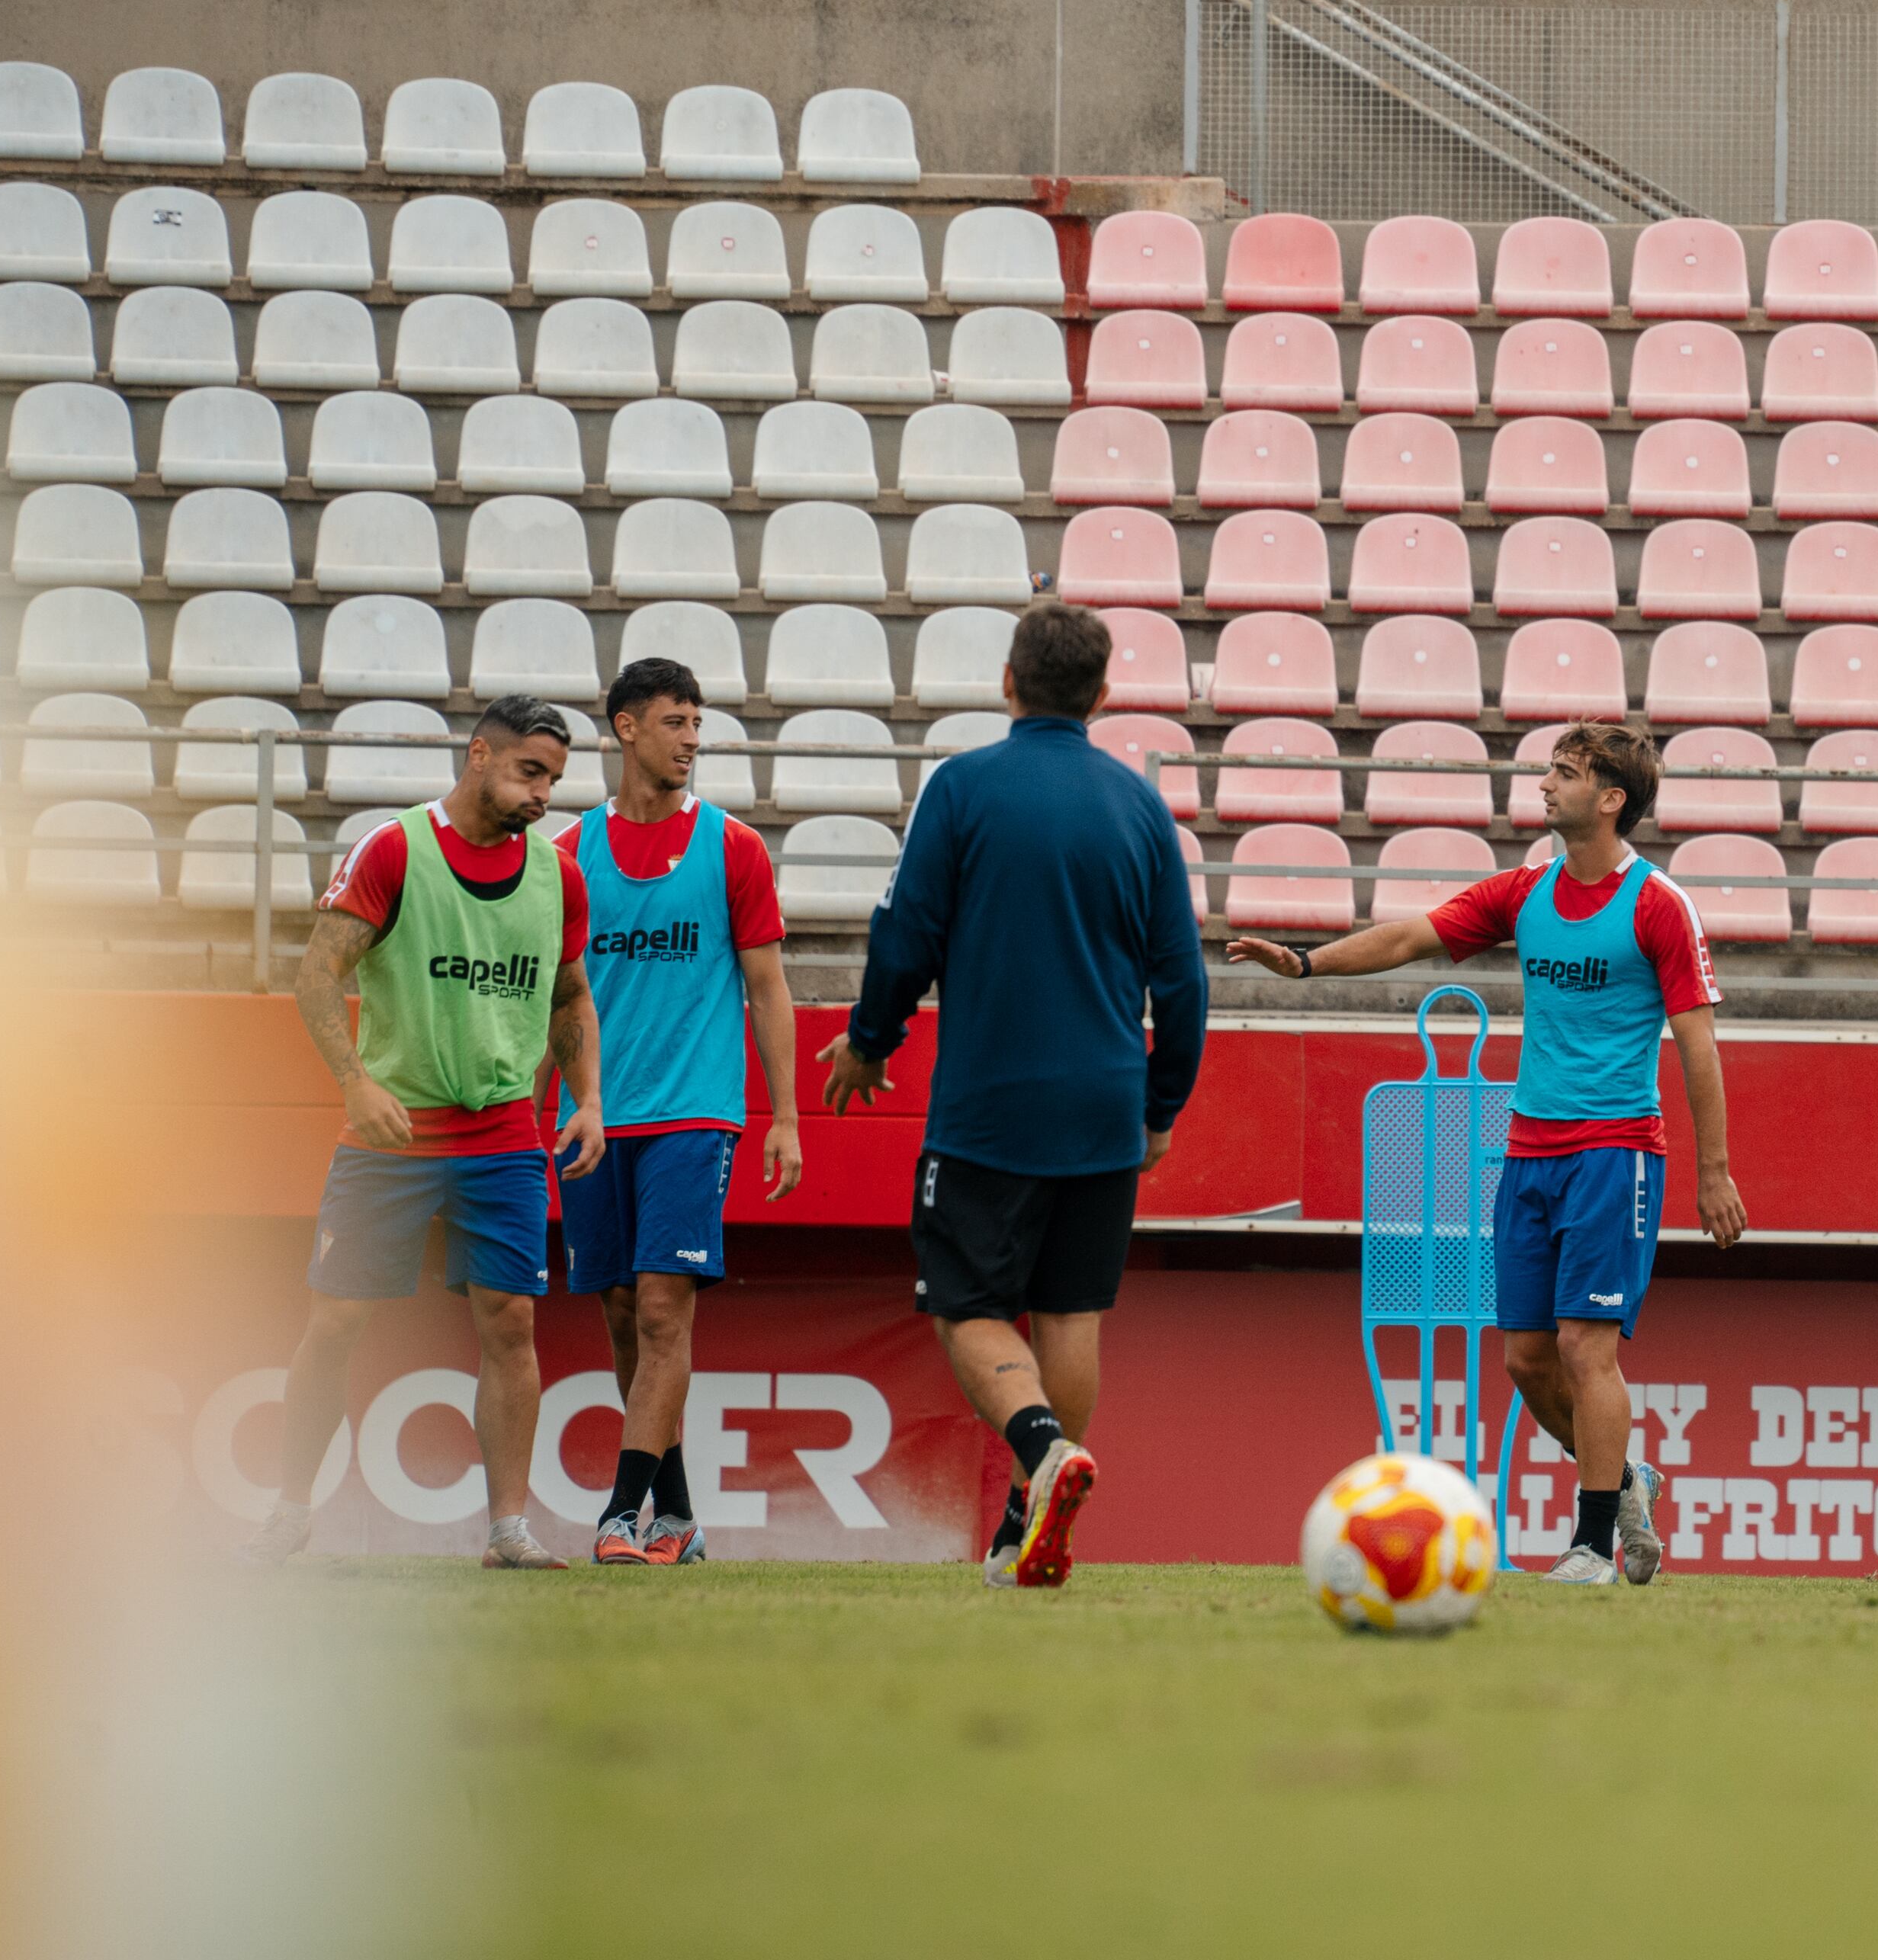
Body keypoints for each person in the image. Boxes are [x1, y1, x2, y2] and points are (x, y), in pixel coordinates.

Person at [1225, 723, 1748, 1586]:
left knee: (1587, 1349)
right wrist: (1306, 964)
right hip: (1528, 1151)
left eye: (1566, 772)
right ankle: (1628, 1482)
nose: (1544, 783)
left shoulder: (1658, 904)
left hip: (1614, 1153)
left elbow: (1699, 1045)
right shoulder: (1524, 890)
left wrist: (1714, 1171)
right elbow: (1408, 937)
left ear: (1611, 799)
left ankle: (1588, 1545)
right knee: (1526, 1360)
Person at [820, 602, 1207, 1589]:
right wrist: (1161, 1106)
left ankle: (1040, 1452)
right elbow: (1184, 981)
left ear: (1007, 682)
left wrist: (870, 1043)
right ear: (1104, 695)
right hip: (1104, 1106)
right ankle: (1021, 1524)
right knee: (1070, 1315)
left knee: (968, 1306)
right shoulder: (1140, 807)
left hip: (991, 1105)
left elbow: (906, 935)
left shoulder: (964, 787)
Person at [237, 697, 604, 1570]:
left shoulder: (560, 876)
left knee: (510, 1322)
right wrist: (355, 1085)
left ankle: (508, 1531)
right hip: (391, 1136)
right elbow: (317, 975)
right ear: (479, 756)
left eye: (553, 778)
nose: (544, 794)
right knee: (335, 1325)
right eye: (529, 772)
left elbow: (569, 998)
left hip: (505, 1135)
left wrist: (586, 1099)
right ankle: (289, 1509)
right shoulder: (395, 847)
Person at [551, 657, 803, 1567]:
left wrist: (785, 1117)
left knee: (662, 1313)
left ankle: (619, 1516)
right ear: (624, 729)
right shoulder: (568, 853)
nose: (692, 739)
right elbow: (556, 998)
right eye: (674, 722)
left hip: (696, 1114)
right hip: (594, 1119)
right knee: (622, 1313)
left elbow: (769, 992)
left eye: (699, 723)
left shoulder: (733, 848)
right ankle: (679, 1514)